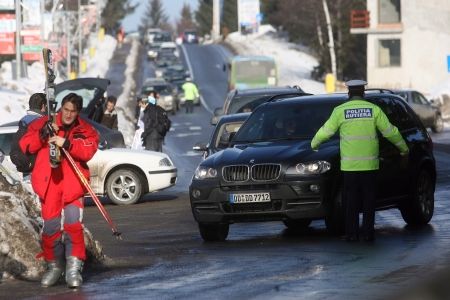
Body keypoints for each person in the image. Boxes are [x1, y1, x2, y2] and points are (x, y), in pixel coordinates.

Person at [311, 80, 409, 242]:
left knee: (351, 202)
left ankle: (352, 234)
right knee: (369, 201)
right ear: (363, 93)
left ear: (349, 93)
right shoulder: (374, 110)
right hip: (369, 166)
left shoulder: (340, 111)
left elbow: (326, 131)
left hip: (350, 167)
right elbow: (390, 132)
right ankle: (367, 233)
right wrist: (404, 149)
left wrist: (314, 144)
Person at [19, 93, 99, 288]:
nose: (68, 114)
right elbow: (25, 145)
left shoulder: (85, 129)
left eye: (73, 111)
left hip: (72, 185)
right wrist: (42, 135)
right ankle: (54, 266)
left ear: (78, 112)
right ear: (60, 108)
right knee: (51, 229)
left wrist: (68, 144)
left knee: (73, 226)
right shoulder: (44, 123)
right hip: (50, 184)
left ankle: (73, 268)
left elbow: (89, 149)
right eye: (66, 110)